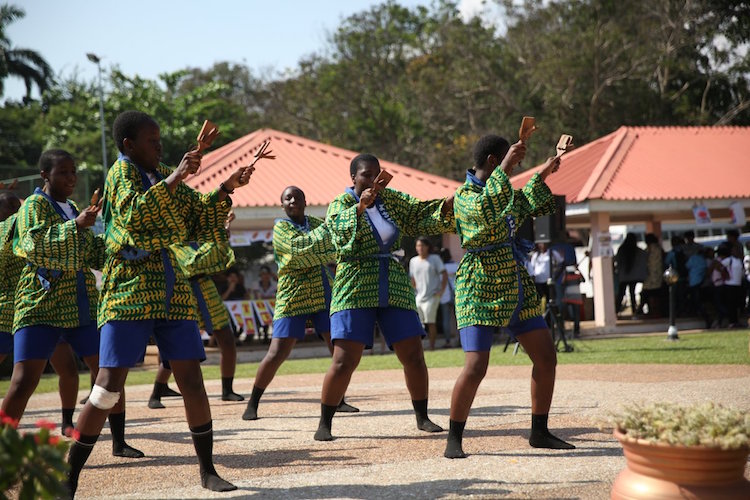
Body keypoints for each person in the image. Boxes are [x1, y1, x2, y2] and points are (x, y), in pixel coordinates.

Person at [66, 110, 259, 495]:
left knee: (191, 379)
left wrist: (225, 189)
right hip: (129, 291)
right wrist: (177, 176)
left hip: (172, 290)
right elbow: (136, 216)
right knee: (106, 388)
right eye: (152, 142)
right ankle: (68, 478)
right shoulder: (120, 174)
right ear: (129, 145)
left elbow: (200, 219)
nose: (159, 147)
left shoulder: (162, 174)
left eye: (160, 141)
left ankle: (207, 470)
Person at [0, 149, 141, 459]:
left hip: (82, 304)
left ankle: (119, 441)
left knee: (110, 371)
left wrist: (121, 246)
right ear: (45, 176)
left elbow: (90, 250)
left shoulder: (74, 207)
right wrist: (75, 225)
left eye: (73, 171)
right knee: (24, 379)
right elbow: (32, 244)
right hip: (40, 303)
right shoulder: (33, 206)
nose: (71, 177)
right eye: (63, 172)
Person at [444, 134, 574, 459]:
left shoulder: (502, 191)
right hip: (479, 285)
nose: (513, 167)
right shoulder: (464, 197)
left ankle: (539, 431)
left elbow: (528, 200)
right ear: (493, 161)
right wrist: (507, 164)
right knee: (475, 367)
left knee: (546, 356)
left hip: (515, 283)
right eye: (509, 162)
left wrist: (549, 165)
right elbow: (486, 210)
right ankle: (453, 439)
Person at [314, 153, 455, 441]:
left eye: (377, 174)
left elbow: (419, 213)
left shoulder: (391, 199)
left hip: (391, 279)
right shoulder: (341, 204)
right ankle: (325, 422)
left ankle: (422, 416)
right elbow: (337, 233)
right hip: (354, 281)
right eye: (366, 174)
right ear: (353, 177)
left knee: (413, 354)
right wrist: (360, 208)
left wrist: (453, 201)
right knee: (344, 359)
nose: (373, 180)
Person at [242, 186, 358, 421]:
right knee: (276, 352)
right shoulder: (281, 227)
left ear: (306, 202)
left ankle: (339, 399)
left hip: (323, 290)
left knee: (336, 348)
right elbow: (297, 253)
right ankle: (252, 403)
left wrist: (317, 250)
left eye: (297, 197)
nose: (293, 200)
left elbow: (333, 250)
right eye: (288, 198)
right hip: (291, 294)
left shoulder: (317, 223)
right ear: (282, 205)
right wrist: (319, 249)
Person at [0, 193, 86, 434]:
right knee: (23, 380)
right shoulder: (11, 229)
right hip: (10, 311)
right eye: (12, 208)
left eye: (18, 208)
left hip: (45, 306)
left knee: (67, 368)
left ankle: (68, 422)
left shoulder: (38, 220)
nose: (18, 211)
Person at [409, 237, 448, 350]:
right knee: (418, 324)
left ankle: (432, 347)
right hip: (418, 296)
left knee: (430, 322)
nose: (420, 248)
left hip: (432, 295)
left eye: (422, 245)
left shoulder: (435, 259)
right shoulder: (413, 261)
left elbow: (444, 274)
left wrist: (442, 290)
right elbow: (412, 279)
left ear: (427, 247)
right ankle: (419, 347)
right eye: (418, 246)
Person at [614, 233, 647, 316]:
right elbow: (645, 256)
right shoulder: (637, 250)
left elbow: (617, 260)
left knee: (621, 294)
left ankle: (616, 310)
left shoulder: (621, 249)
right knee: (632, 293)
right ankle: (634, 310)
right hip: (634, 276)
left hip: (623, 276)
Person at [639, 233, 664, 316]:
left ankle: (646, 310)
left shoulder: (648, 249)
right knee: (656, 295)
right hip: (657, 277)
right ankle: (655, 311)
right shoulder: (659, 249)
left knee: (646, 294)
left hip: (650, 276)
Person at [438, 248, 458, 348]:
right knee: (459, 319)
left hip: (444, 296)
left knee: (446, 320)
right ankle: (460, 340)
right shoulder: (456, 266)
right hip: (457, 295)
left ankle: (448, 341)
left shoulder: (441, 268)